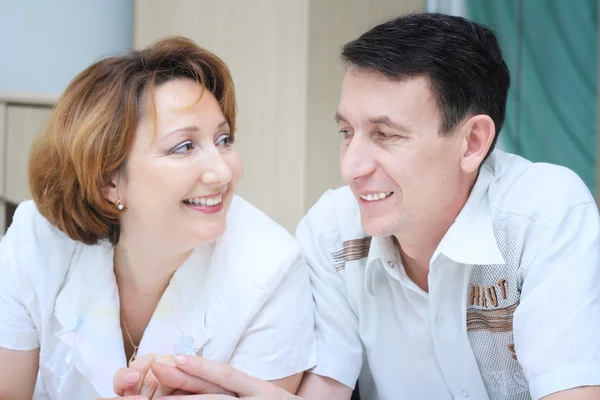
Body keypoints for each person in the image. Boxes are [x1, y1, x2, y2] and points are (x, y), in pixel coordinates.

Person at [112, 13, 600, 400]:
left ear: (472, 142)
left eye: (385, 135)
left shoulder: (544, 216)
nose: (351, 167)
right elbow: (326, 390)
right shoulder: (333, 230)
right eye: (347, 132)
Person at [0, 36, 316, 399]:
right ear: (109, 182)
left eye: (224, 139)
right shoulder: (37, 238)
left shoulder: (272, 269)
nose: (222, 172)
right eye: (184, 146)